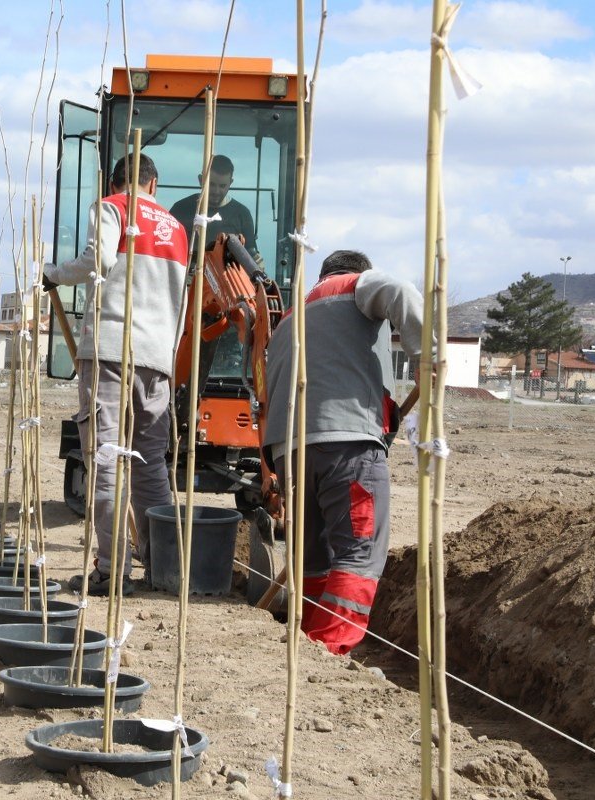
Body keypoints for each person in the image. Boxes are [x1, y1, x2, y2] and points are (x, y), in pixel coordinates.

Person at [262, 250, 425, 654]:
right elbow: (401, 291)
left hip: (290, 454)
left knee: (315, 558)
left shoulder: (291, 313)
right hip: (346, 446)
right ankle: (330, 649)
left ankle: (306, 644)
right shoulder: (354, 285)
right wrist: (428, 358)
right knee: (359, 553)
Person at [43, 153, 189, 597]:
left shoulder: (112, 207)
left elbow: (97, 260)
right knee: (150, 469)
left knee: (106, 460)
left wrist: (54, 274)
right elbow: (182, 305)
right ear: (155, 183)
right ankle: (165, 565)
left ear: (116, 181)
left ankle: (112, 569)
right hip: (158, 360)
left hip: (111, 351)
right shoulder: (177, 230)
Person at [169, 154, 256, 251]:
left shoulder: (242, 215)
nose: (216, 191)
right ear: (201, 180)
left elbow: (251, 257)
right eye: (211, 184)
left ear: (231, 183)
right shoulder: (180, 209)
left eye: (222, 186)